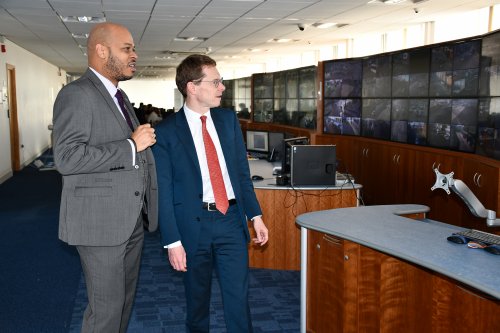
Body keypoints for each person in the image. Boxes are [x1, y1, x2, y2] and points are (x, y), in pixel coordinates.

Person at [52, 22, 158, 333]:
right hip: (100, 224)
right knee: (105, 312)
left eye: (133, 49)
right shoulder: (76, 94)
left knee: (123, 303)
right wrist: (130, 145)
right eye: (127, 49)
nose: (134, 55)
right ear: (101, 51)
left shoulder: (119, 96)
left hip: (129, 219)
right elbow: (67, 158)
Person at [152, 54, 268, 332]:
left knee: (238, 300)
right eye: (215, 82)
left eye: (221, 81)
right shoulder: (166, 132)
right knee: (197, 301)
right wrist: (172, 242)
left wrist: (256, 215)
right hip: (193, 226)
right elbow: (163, 193)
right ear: (192, 87)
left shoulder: (228, 121)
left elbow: (241, 175)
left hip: (230, 220)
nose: (222, 87)